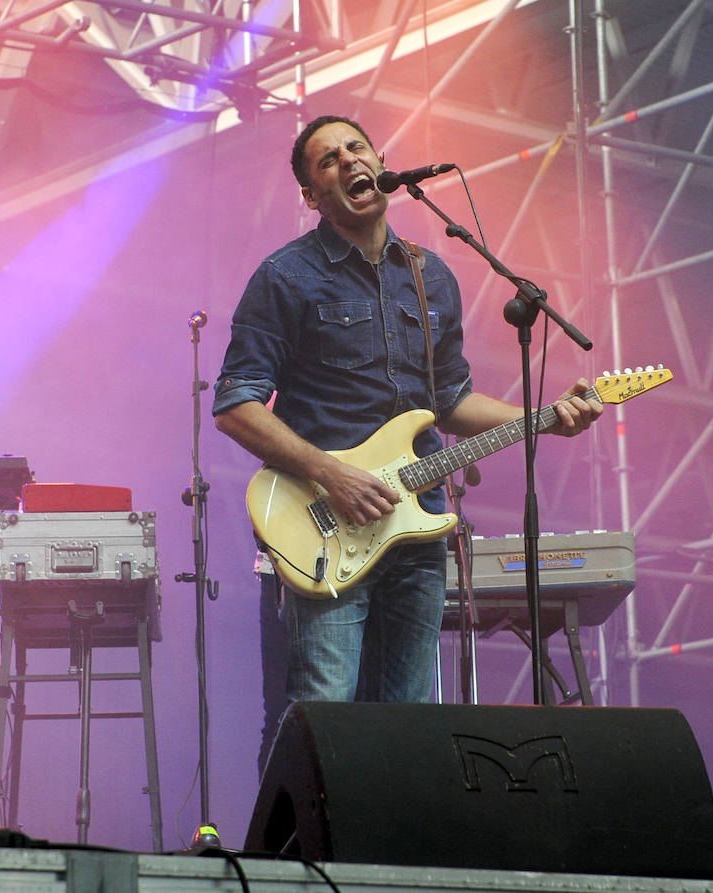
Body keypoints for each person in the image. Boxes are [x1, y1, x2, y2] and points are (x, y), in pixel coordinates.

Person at [213, 115, 600, 751]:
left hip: (416, 529)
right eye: (328, 160)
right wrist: (330, 473)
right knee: (326, 721)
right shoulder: (286, 276)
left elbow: (448, 401)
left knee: (409, 727)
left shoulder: (432, 277)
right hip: (325, 528)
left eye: (357, 149)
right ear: (312, 196)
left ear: (382, 162)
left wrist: (546, 421)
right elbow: (236, 405)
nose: (348, 161)